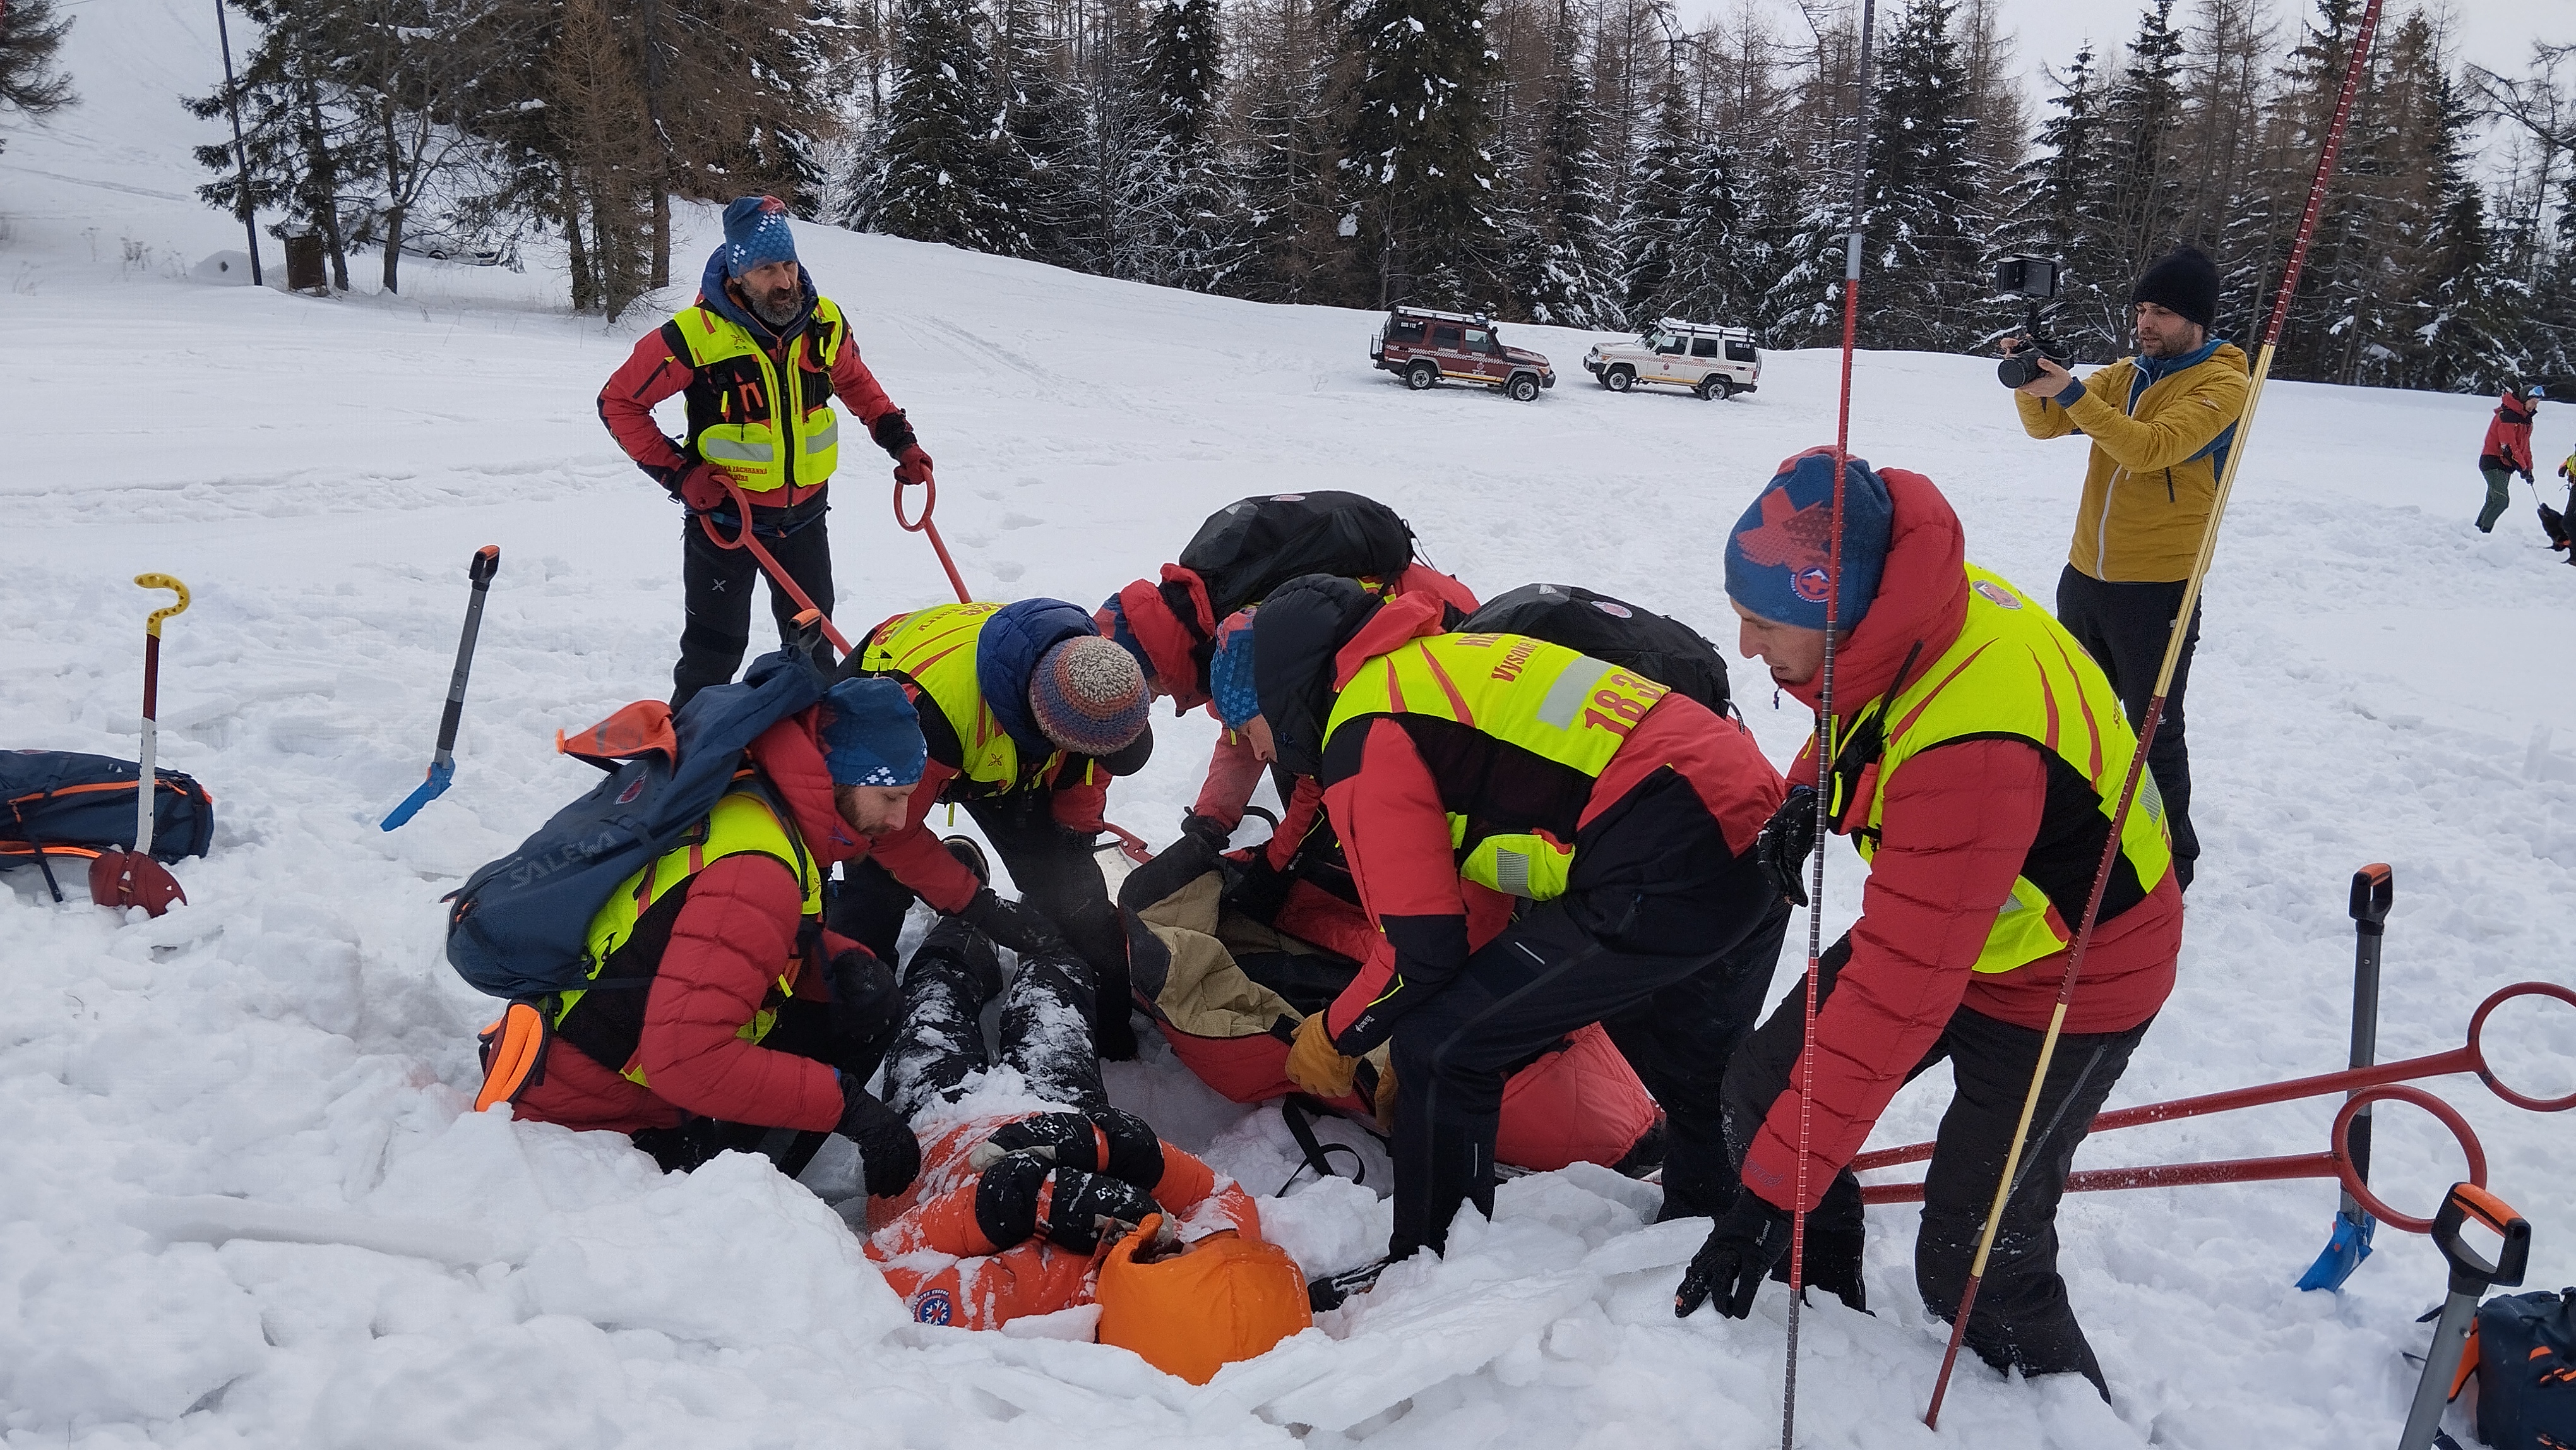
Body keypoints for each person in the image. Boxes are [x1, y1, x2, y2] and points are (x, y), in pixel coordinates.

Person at [1676, 450, 2181, 1403]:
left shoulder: (1973, 753)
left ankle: (2071, 1419)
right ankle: (1822, 1303)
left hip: (2071, 982)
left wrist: (1762, 1204)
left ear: (1840, 613)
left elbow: (1899, 996)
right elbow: (1867, 700)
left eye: (1763, 623)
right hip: (1968, 918)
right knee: (1761, 1087)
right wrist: (1808, 789)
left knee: (1976, 1256)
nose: (1743, 647)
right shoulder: (1919, 604)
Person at [1251, 573, 1791, 1302]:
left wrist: (1339, 1035)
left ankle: (1430, 1271)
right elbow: (1465, 906)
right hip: (1756, 833)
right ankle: (1712, 1221)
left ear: (1286, 685)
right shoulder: (1439, 668)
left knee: (1445, 1047)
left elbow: (1420, 948)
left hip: (1670, 852)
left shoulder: (1366, 728)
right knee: (1691, 1053)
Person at [480, 677, 931, 1192]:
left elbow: (704, 936)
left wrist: (837, 961)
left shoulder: (758, 803)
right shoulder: (757, 872)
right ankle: (751, 1192)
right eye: (892, 796)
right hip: (588, 1127)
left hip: (596, 1067)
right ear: (839, 780)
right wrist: (848, 1108)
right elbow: (687, 1062)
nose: (900, 820)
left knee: (860, 1001)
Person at [862, 909, 1297, 1372]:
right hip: (1064, 1115)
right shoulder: (1211, 1270)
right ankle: (1021, 899)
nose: (1187, 1241)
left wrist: (999, 1208)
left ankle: (961, 918)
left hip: (936, 1137)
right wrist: (1137, 1155)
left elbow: (879, 1273)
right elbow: (1218, 1195)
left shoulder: (1030, 1305)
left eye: (1175, 1259)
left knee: (935, 992)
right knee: (1058, 973)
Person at [598, 195, 935, 709]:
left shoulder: (823, 321)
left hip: (805, 519)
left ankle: (814, 751)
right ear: (737, 275)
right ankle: (691, 757)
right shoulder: (695, 335)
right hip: (727, 526)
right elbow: (619, 403)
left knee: (813, 645)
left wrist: (901, 441)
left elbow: (856, 383)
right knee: (714, 650)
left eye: (789, 264)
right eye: (765, 269)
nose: (784, 281)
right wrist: (681, 475)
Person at [2005, 244, 2246, 890]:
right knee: (2074, 713)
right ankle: (2076, 829)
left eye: (2162, 312)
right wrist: (2036, 383)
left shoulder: (2225, 386)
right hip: (2086, 576)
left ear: (2197, 320)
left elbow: (2150, 448)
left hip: (2158, 589)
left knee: (2153, 729)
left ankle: (2174, 860)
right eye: (2142, 308)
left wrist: (2074, 391)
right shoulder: (2128, 372)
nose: (2146, 323)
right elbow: (2048, 426)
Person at [828, 599, 1154, 1058]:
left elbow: (1089, 766)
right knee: (873, 888)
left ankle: (1104, 1019)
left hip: (1007, 737)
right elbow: (888, 833)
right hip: (902, 718)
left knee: (1070, 888)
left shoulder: (1096, 679)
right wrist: (978, 906)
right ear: (1050, 732)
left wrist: (1073, 838)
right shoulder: (928, 722)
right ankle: (859, 1020)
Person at [2478, 383, 2539, 534]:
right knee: (2501, 501)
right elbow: (2509, 448)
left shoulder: (2526, 421)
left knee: (2493, 500)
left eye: (2537, 403)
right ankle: (2483, 533)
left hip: (2506, 466)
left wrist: (2528, 469)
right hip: (2493, 462)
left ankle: (2476, 532)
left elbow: (2525, 448)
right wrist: (2522, 468)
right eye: (2532, 401)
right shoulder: (2507, 417)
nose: (2534, 406)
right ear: (2524, 399)